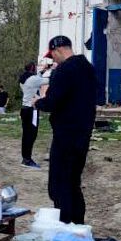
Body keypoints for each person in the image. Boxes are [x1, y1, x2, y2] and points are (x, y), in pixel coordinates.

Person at [33, 35, 97, 224]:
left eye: (52, 56)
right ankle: (78, 225)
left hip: (65, 135)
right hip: (83, 134)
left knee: (59, 185)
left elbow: (53, 101)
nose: (53, 60)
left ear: (58, 50)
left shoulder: (63, 71)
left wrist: (39, 103)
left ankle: (65, 225)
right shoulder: (88, 69)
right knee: (73, 182)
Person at [19, 61, 47, 169]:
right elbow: (47, 80)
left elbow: (36, 78)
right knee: (32, 134)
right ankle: (27, 160)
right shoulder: (34, 80)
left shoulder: (23, 79)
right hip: (32, 110)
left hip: (24, 109)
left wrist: (44, 70)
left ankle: (25, 157)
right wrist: (55, 70)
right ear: (32, 68)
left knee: (26, 134)